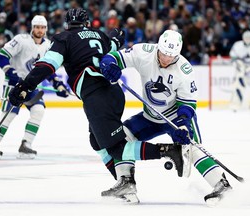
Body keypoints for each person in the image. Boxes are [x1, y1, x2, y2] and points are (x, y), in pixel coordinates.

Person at [8, 8, 190, 204]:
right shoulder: (100, 35)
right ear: (87, 24)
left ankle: (169, 151)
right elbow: (114, 43)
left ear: (68, 24)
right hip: (112, 93)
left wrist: (24, 86)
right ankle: (125, 182)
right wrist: (116, 36)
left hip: (96, 95)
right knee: (97, 142)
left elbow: (47, 66)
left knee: (117, 147)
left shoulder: (64, 38)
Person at [99, 30, 233, 205]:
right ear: (158, 47)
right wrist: (110, 65)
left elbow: (187, 105)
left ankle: (221, 184)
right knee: (121, 135)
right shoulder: (143, 52)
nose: (166, 59)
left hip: (175, 117)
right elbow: (113, 57)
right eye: (163, 53)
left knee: (190, 146)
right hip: (150, 117)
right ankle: (126, 182)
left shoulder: (184, 70)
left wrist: (184, 125)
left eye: (172, 56)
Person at [0, 15, 69, 160]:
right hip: (14, 85)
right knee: (9, 114)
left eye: (42, 27)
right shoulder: (21, 40)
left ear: (46, 29)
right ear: (32, 27)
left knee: (39, 110)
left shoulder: (48, 45)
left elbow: (47, 68)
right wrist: (11, 72)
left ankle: (26, 145)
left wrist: (57, 83)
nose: (39, 30)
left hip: (31, 85)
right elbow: (1, 55)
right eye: (37, 27)